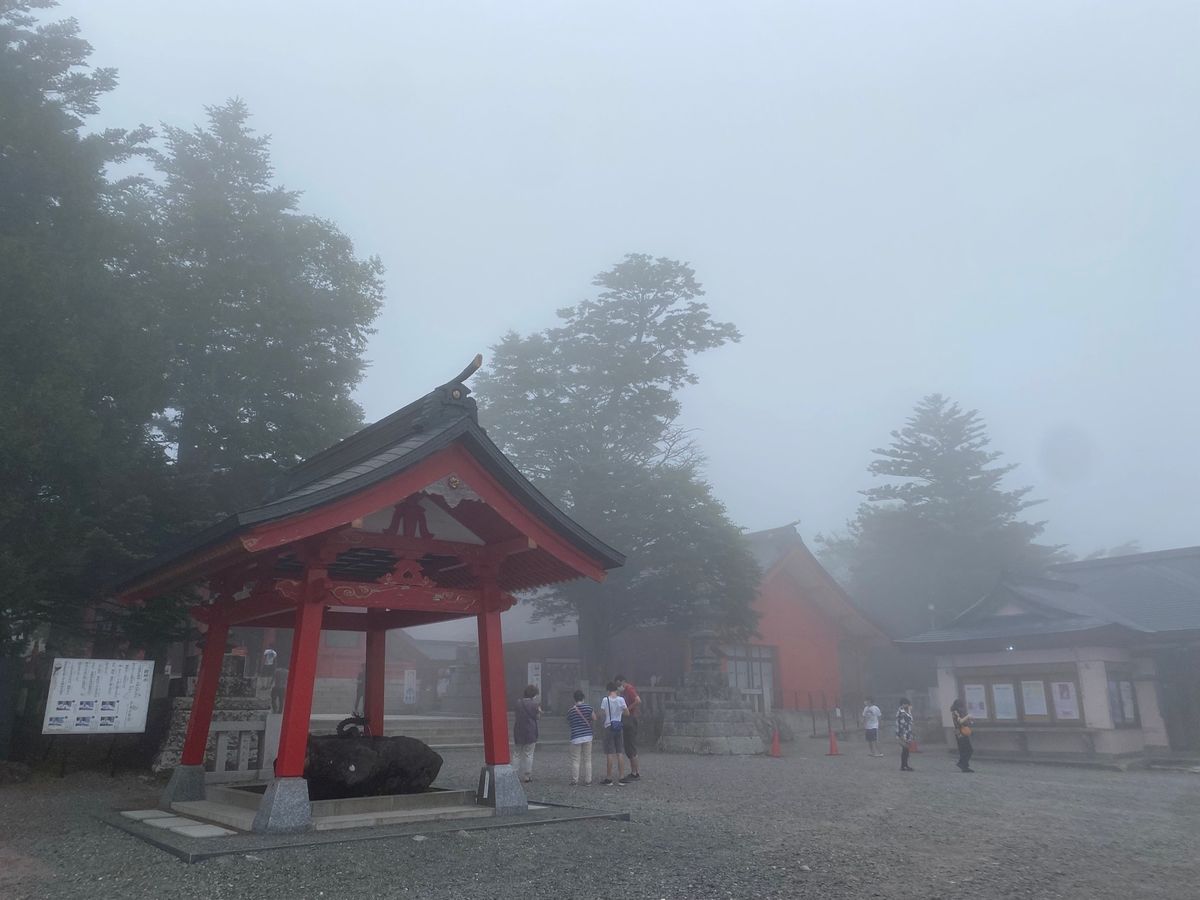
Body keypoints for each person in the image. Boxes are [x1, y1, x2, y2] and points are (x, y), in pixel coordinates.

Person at [599, 681, 628, 786]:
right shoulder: (621, 700)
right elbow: (627, 713)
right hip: (618, 726)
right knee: (619, 752)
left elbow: (602, 713)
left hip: (608, 726)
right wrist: (619, 711)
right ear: (616, 690)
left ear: (608, 690)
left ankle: (609, 778)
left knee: (609, 753)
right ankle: (621, 777)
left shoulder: (605, 700)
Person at [615, 674, 641, 781]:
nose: (618, 686)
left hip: (630, 719)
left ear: (622, 681)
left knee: (631, 746)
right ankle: (633, 771)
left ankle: (636, 773)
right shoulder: (623, 692)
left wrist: (627, 709)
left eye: (618, 683)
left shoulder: (629, 689)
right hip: (627, 719)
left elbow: (638, 700)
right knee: (628, 747)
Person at [566, 689, 595, 785]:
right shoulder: (589, 708)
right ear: (583, 698)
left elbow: (569, 722)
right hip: (587, 735)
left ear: (574, 699)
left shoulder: (570, 711)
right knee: (587, 758)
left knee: (575, 759)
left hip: (576, 736)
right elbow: (594, 718)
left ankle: (575, 780)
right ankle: (588, 780)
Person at [513, 684, 541, 783]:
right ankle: (527, 776)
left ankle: (514, 774)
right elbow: (537, 717)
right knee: (528, 754)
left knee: (517, 754)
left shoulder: (518, 703)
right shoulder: (535, 705)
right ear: (533, 694)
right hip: (530, 731)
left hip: (518, 730)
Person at [951, 698, 975, 772]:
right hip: (960, 733)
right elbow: (960, 721)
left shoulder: (960, 712)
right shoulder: (955, 712)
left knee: (965, 750)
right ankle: (962, 764)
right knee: (968, 750)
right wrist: (967, 717)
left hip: (962, 732)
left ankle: (964, 765)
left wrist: (970, 721)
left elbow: (964, 722)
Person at [896, 698, 915, 771]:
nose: (907, 705)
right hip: (903, 732)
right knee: (905, 749)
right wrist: (900, 735)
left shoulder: (906, 711)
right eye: (905, 704)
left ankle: (905, 765)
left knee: (906, 750)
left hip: (907, 732)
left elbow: (910, 721)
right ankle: (903, 765)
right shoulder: (901, 712)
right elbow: (901, 724)